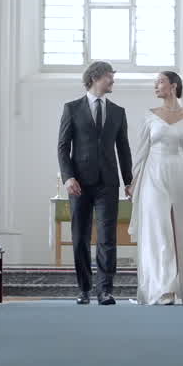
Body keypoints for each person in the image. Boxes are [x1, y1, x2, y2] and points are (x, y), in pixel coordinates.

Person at [126, 71, 183, 305]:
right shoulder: (150, 116)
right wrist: (133, 182)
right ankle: (163, 288)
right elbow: (141, 151)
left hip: (180, 174)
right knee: (159, 229)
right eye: (155, 82)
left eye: (160, 81)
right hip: (153, 175)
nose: (155, 86)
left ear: (173, 86)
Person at [57, 61, 133, 305]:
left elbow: (124, 150)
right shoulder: (71, 108)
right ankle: (84, 289)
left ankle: (105, 290)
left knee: (107, 237)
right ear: (95, 78)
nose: (113, 81)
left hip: (108, 183)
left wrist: (129, 181)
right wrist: (68, 177)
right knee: (80, 236)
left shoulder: (118, 112)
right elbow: (62, 147)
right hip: (78, 183)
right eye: (110, 77)